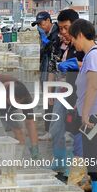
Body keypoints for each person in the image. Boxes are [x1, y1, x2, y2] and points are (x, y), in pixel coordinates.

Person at [49, 9, 85, 176]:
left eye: (66, 28)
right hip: (61, 89)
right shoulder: (59, 43)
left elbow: (91, 66)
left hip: (77, 93)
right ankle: (59, 161)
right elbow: (52, 66)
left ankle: (74, 169)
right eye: (60, 28)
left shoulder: (82, 44)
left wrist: (75, 64)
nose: (63, 32)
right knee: (56, 127)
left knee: (74, 130)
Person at [69, 19, 97, 192]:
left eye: (74, 38)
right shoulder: (90, 56)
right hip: (93, 113)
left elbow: (93, 86)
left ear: (80, 34)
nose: (73, 42)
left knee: (96, 157)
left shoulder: (94, 55)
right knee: (93, 157)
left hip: (95, 115)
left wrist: (86, 113)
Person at [0, 75, 40, 159]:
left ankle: (17, 159)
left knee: (19, 130)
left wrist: (35, 147)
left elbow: (30, 123)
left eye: (19, 103)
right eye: (14, 102)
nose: (17, 104)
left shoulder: (25, 97)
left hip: (7, 106)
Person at [32, 11, 61, 141]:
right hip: (45, 69)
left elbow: (53, 50)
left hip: (54, 72)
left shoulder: (57, 33)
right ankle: (49, 129)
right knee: (47, 100)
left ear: (49, 21)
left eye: (41, 23)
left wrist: (46, 41)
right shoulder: (44, 34)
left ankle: (53, 130)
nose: (40, 26)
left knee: (54, 100)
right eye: (38, 24)